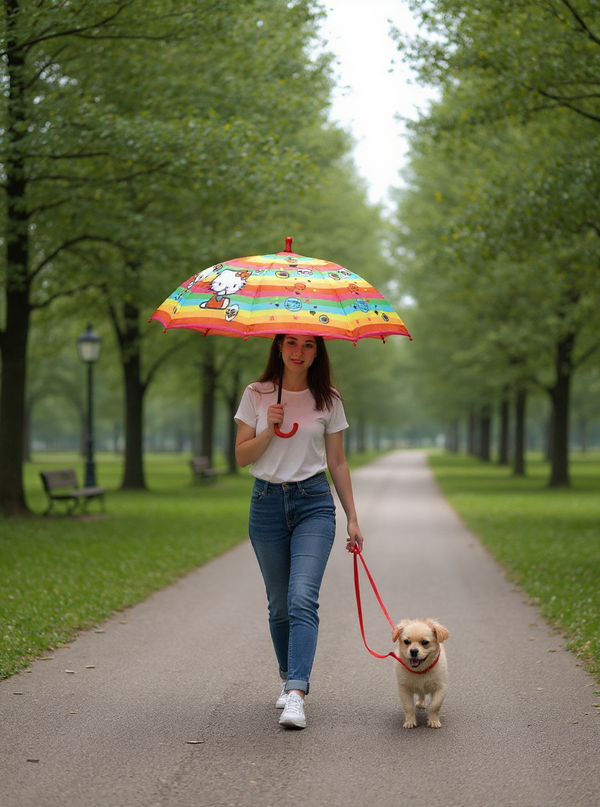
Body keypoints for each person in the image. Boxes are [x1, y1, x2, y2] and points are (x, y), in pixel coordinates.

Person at [234, 332, 364, 730]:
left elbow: (337, 462)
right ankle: (287, 676)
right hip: (267, 504)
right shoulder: (256, 394)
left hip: (314, 504)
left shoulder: (329, 398)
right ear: (278, 347)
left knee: (302, 596)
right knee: (279, 605)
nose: (298, 352)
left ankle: (296, 692)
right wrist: (268, 430)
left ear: (317, 352)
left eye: (308, 345)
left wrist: (352, 517)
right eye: (291, 343)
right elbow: (241, 457)